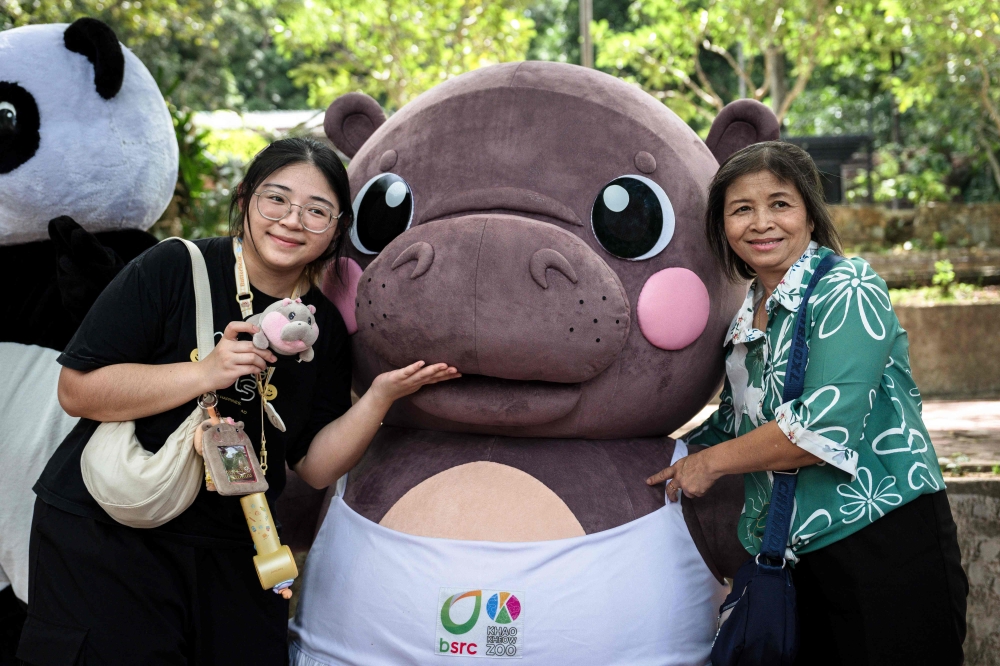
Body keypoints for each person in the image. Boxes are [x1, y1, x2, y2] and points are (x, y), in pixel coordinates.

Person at [17, 138, 459, 665]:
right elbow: (78, 390)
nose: (292, 221)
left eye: (316, 211)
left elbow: (315, 468)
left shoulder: (321, 327)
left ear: (337, 227)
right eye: (277, 199)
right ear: (246, 198)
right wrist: (205, 372)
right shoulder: (174, 268)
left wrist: (379, 397)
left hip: (242, 542)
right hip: (115, 532)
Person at [646, 141, 968, 666]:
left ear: (810, 216)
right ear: (722, 227)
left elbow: (823, 430)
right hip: (790, 556)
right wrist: (656, 457)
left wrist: (710, 464)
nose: (761, 223)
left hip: (882, 543)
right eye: (741, 209)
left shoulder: (848, 287)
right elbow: (731, 425)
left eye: (779, 204)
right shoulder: (746, 317)